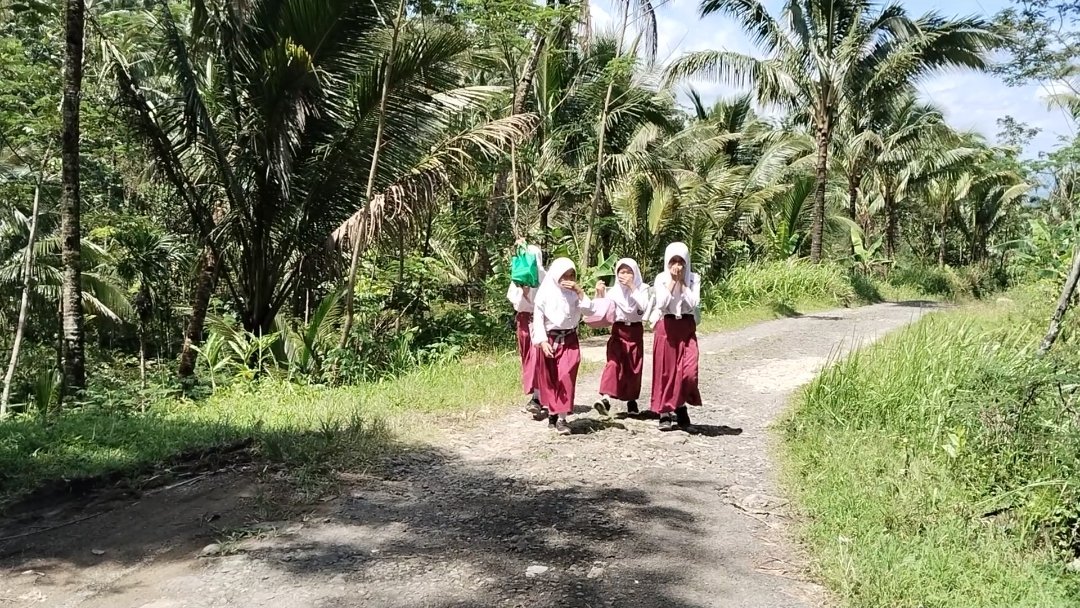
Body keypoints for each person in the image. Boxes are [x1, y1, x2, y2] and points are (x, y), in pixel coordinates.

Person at [531, 257, 593, 435]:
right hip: (550, 340)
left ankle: (563, 418)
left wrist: (580, 292)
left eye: (571, 275)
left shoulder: (575, 294)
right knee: (550, 378)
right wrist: (542, 341)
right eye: (563, 275)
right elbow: (538, 319)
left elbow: (589, 310)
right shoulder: (545, 293)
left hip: (570, 340)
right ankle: (552, 412)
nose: (567, 279)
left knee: (566, 376)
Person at [650, 242, 702, 431]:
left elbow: (693, 302)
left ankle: (681, 404)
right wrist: (672, 282)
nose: (677, 265)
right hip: (667, 326)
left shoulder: (693, 278)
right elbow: (662, 304)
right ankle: (665, 412)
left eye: (681, 261)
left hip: (686, 326)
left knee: (688, 370)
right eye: (673, 261)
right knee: (667, 370)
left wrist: (682, 283)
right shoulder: (660, 279)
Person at [593, 258, 649, 417]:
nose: (624, 275)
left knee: (633, 366)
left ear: (635, 273)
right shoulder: (614, 292)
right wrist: (599, 293)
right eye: (621, 272)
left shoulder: (642, 288)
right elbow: (600, 309)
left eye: (628, 272)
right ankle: (605, 398)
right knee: (613, 363)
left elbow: (644, 306)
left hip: (635, 330)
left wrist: (632, 287)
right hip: (618, 330)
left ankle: (631, 400)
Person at [507, 242, 546, 419]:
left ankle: (537, 398)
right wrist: (523, 292)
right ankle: (536, 395)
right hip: (523, 321)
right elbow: (516, 302)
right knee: (527, 358)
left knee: (537, 358)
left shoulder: (545, 277)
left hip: (539, 321)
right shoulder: (520, 276)